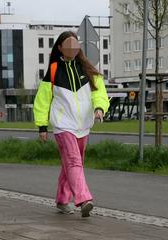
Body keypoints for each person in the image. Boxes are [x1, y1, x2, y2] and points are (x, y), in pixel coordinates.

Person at [33, 31, 110, 218]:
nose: (72, 48)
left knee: (73, 164)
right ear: (60, 47)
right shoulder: (52, 71)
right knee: (74, 162)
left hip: (83, 125)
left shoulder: (87, 69)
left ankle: (62, 199)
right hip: (63, 125)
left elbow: (100, 94)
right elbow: (42, 101)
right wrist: (42, 127)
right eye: (67, 44)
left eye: (74, 44)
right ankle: (84, 199)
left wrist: (100, 108)